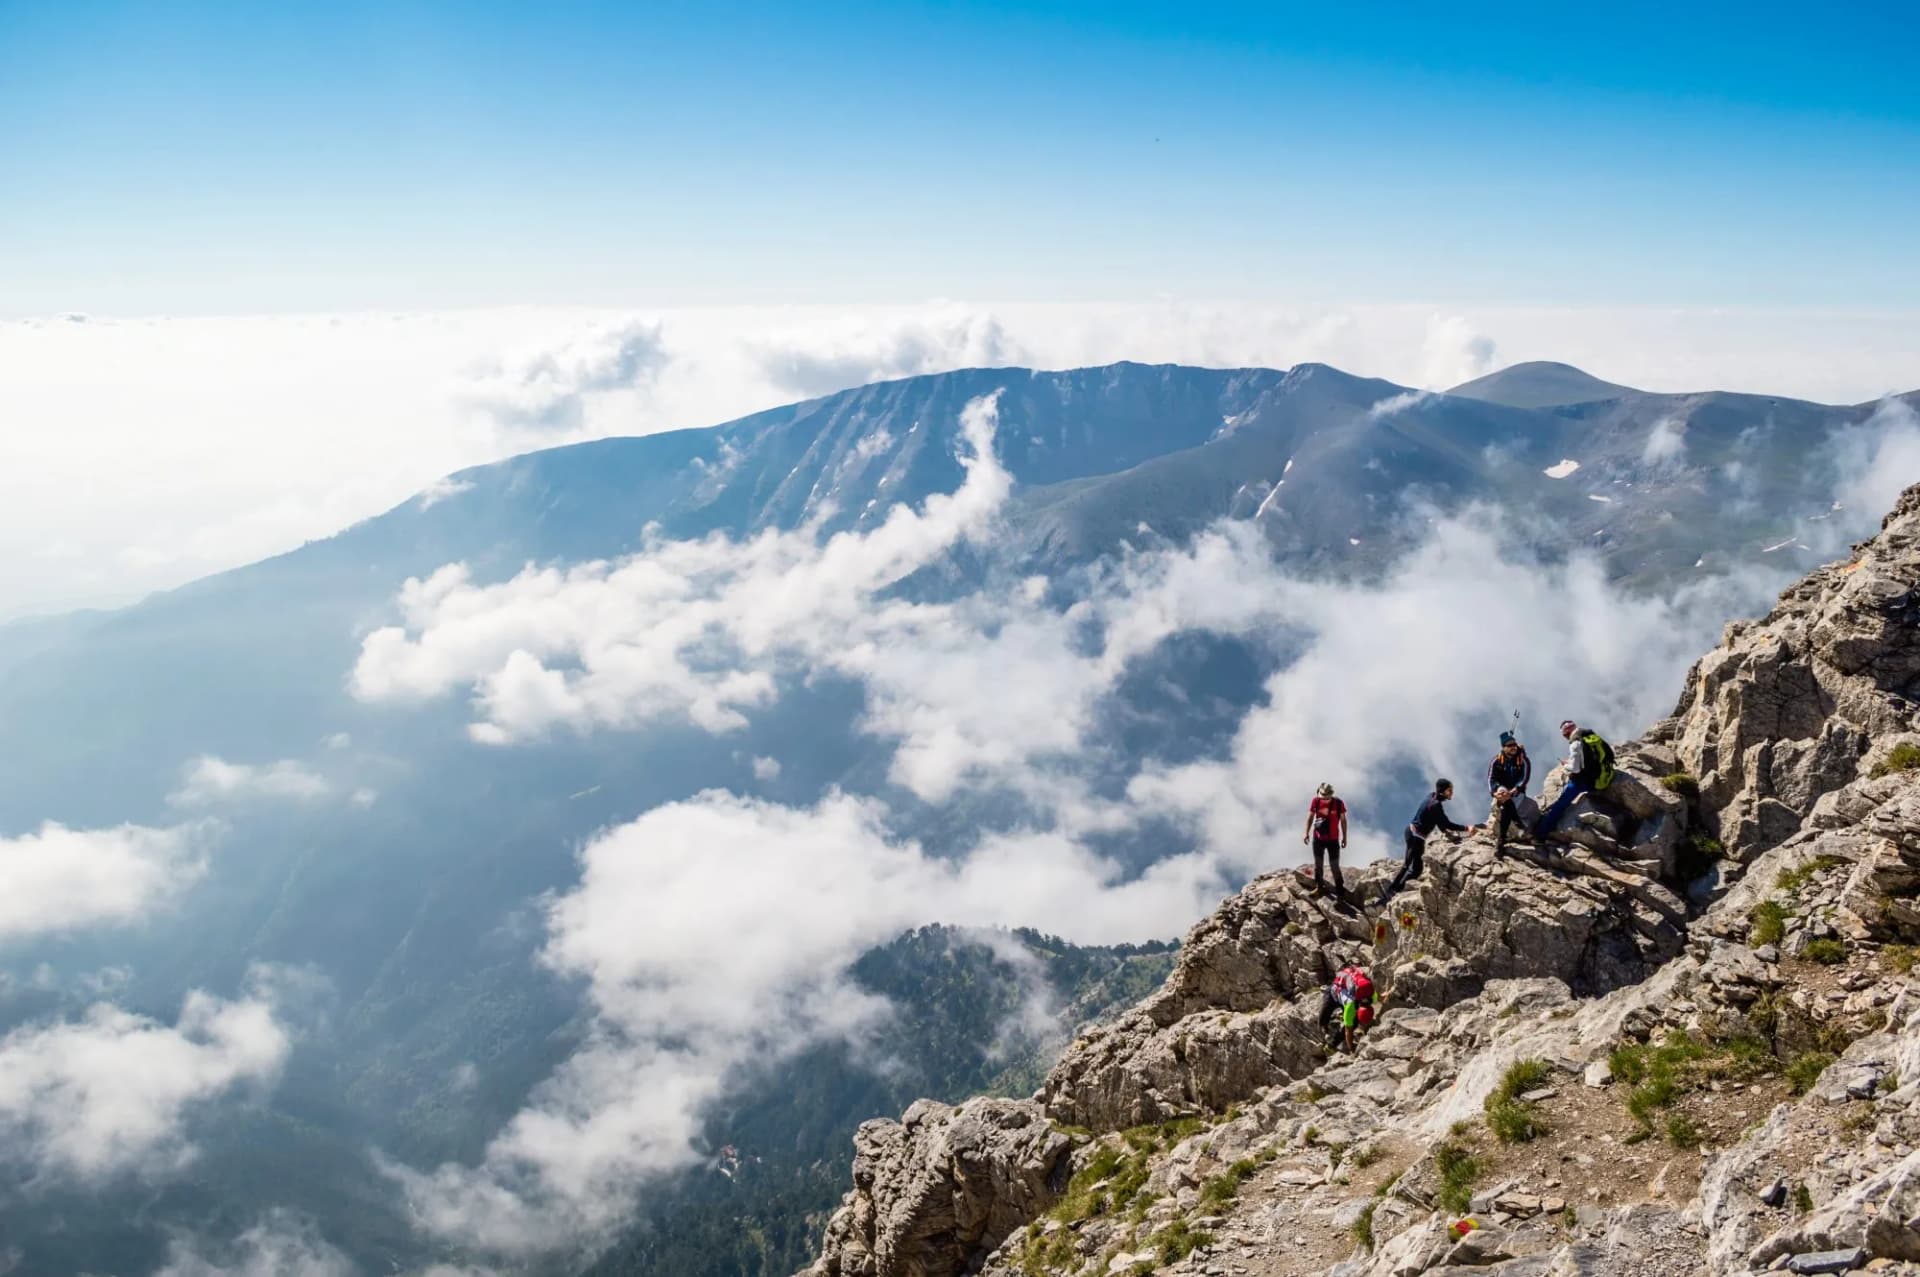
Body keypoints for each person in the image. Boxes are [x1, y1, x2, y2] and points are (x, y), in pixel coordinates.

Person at [1379, 779, 1481, 904]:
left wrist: (1445, 831)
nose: (1452, 793)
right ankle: (1391, 892)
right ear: (1443, 791)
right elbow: (1446, 823)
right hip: (1415, 837)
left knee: (1415, 868)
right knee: (1410, 866)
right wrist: (1467, 828)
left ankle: (1395, 890)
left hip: (1413, 833)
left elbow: (1440, 823)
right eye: (1450, 790)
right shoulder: (1436, 805)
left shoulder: (1431, 796)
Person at [1532, 720, 1616, 840]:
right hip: (1604, 775)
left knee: (1560, 804)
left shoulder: (1575, 743)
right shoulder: (1588, 735)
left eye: (1564, 735)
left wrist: (1565, 765)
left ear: (1566, 733)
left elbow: (1575, 769)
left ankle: (1541, 834)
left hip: (1589, 782)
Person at [1486, 732, 1533, 853]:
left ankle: (1502, 839)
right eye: (1509, 745)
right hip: (1502, 789)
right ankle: (1517, 824)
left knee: (1506, 804)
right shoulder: (1496, 761)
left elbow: (1525, 778)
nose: (1513, 747)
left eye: (1514, 744)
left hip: (1517, 791)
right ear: (1503, 747)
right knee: (1504, 798)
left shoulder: (1523, 759)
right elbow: (1491, 778)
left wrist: (1513, 791)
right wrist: (1494, 792)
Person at [1301, 782, 1349, 899]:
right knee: (1318, 865)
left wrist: (1344, 837)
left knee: (1334, 866)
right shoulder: (1316, 801)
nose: (1325, 799)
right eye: (1323, 796)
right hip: (1318, 838)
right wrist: (1306, 833)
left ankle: (1340, 890)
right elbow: (1310, 817)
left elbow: (1343, 821)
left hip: (1333, 840)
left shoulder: (1338, 804)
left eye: (1327, 797)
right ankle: (1319, 887)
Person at [1318, 964, 1377, 1052]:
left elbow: (1382, 997)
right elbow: (1347, 1032)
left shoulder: (1372, 995)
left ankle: (1333, 1043)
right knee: (1323, 1019)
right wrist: (1351, 1048)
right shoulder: (1350, 1006)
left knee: (1352, 1022)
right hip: (1333, 993)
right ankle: (1328, 1040)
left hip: (1345, 992)